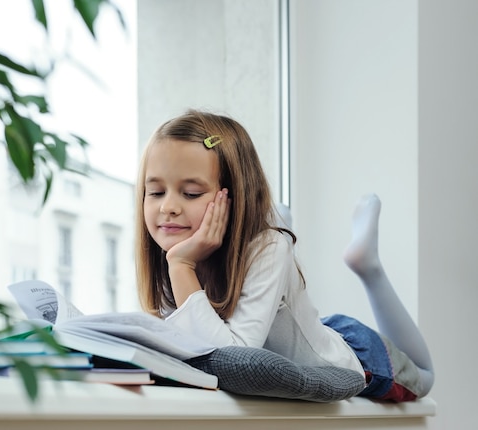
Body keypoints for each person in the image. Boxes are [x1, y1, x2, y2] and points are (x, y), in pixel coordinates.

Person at [134, 109, 434, 401]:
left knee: (426, 377)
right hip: (306, 330)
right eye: (156, 192)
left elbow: (232, 359)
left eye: (191, 194)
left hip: (357, 357)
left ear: (235, 198)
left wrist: (182, 266)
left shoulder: (260, 248)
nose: (167, 207)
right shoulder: (173, 253)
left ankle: (368, 267)